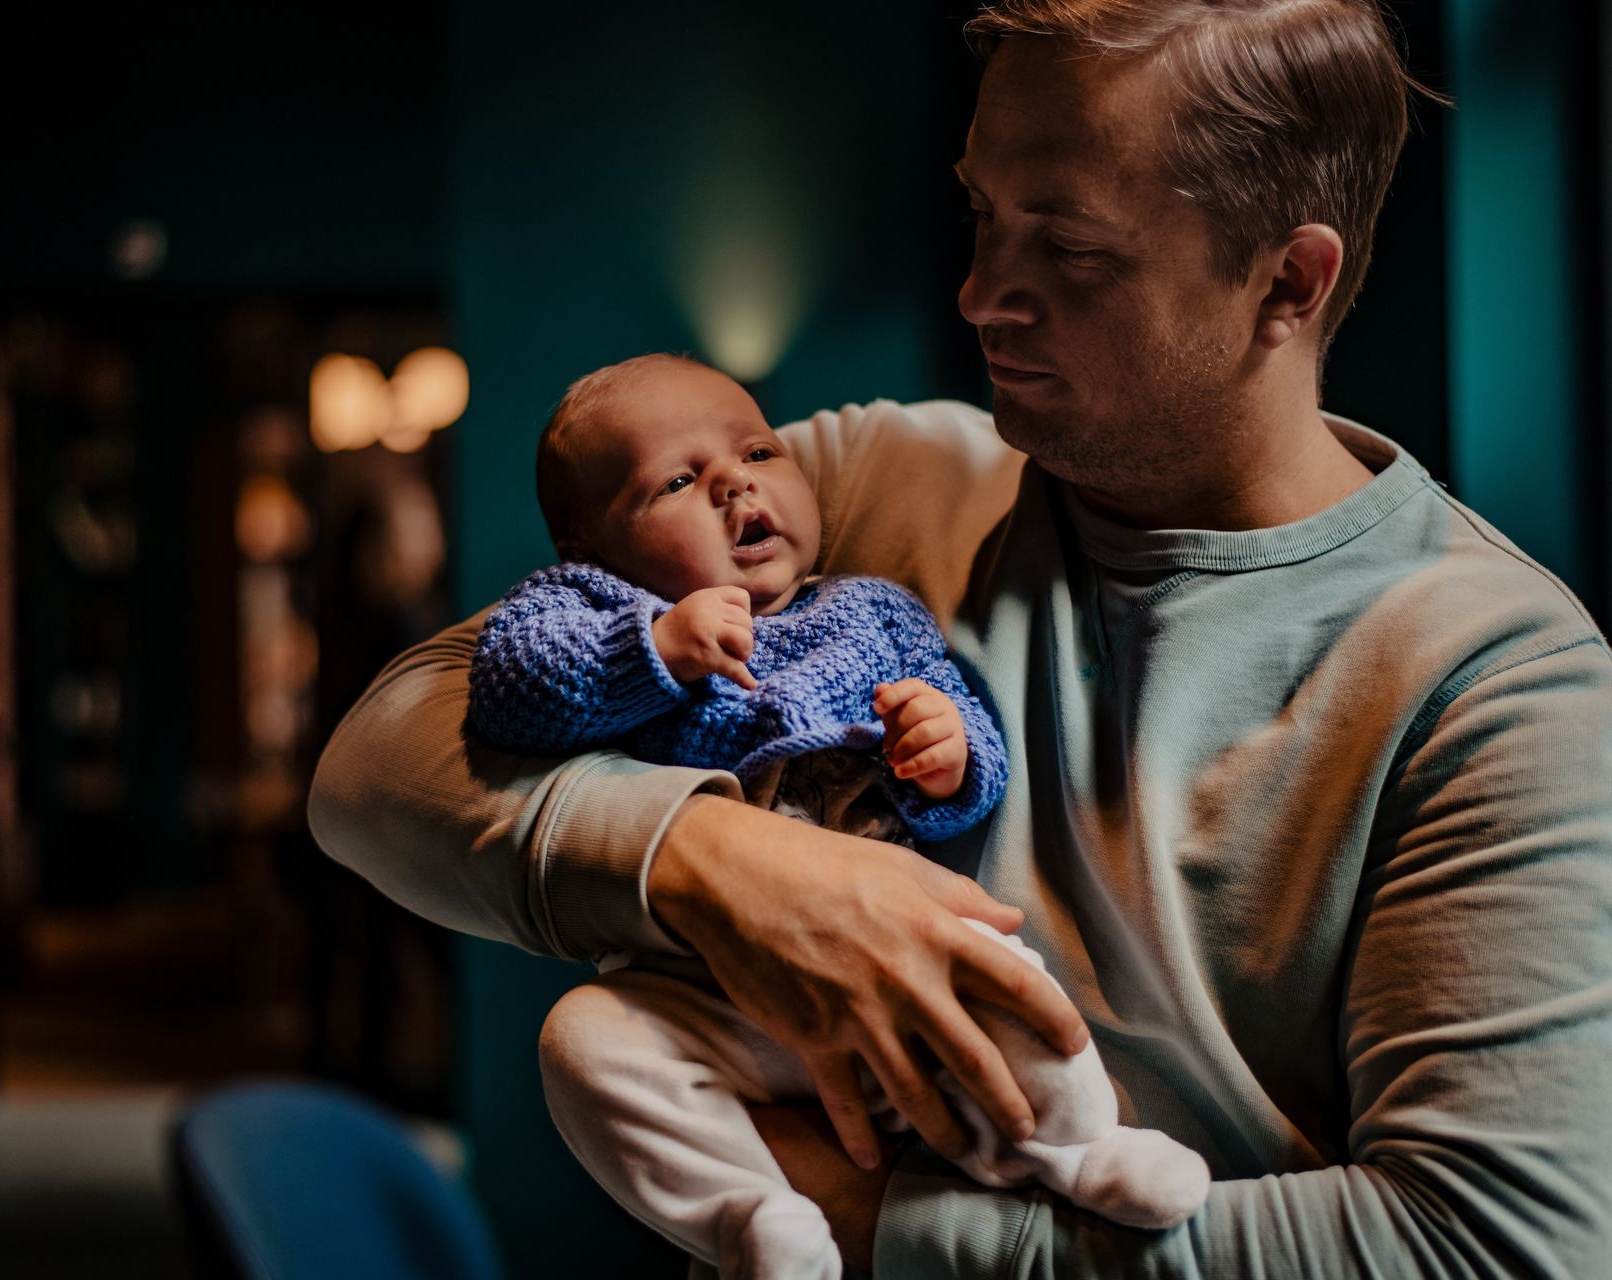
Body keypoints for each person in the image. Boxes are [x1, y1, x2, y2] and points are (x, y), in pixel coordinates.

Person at [311, 1, 1612, 1275]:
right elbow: (375, 768)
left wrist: (867, 1227)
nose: (983, 293)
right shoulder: (885, 476)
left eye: (1070, 247)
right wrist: (724, 865)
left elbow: (1494, 1245)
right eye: (984, 213)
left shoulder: (1499, 679)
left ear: (1288, 279)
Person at [468, 353, 1210, 1278]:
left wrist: (944, 754)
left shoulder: (870, 612)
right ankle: (750, 1216)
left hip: (897, 960)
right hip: (703, 990)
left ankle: (1071, 1148)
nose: (734, 481)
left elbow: (962, 728)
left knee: (1010, 978)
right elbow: (511, 689)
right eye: (678, 480)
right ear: (589, 549)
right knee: (582, 1043)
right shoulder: (587, 607)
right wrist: (654, 647)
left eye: (757, 451)